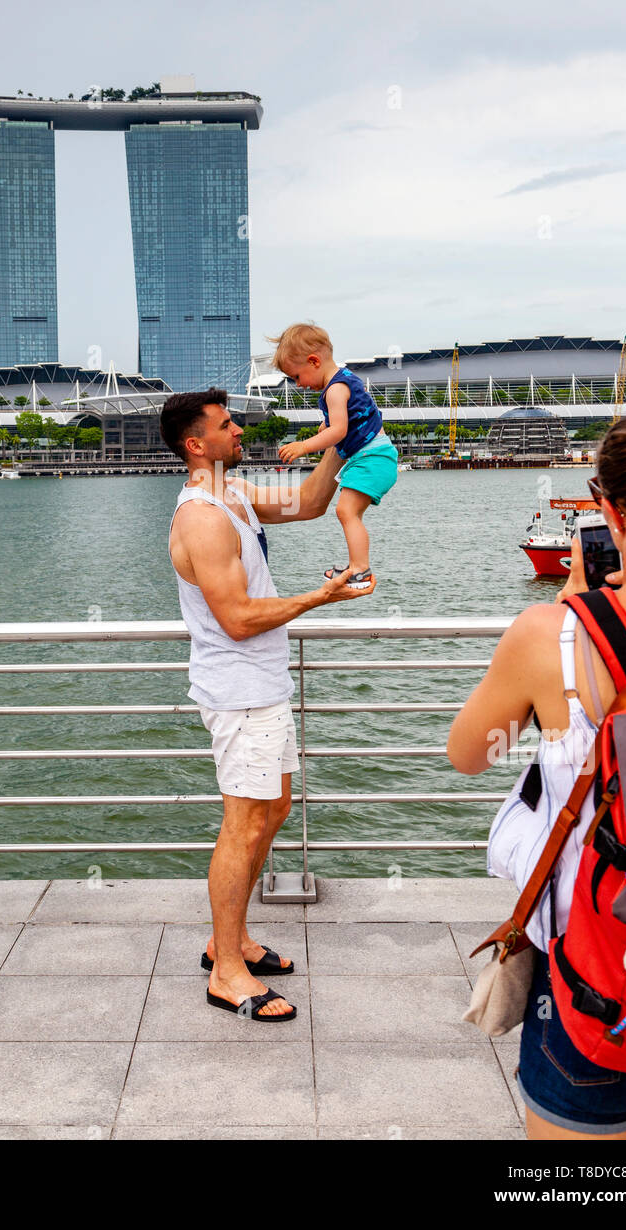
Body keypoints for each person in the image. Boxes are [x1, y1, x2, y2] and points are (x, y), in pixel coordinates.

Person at [447, 407, 626, 1140]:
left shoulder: (553, 634)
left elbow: (470, 753)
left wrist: (567, 618)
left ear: (608, 511)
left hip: (598, 954)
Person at [161, 389, 374, 1020]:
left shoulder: (236, 494)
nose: (238, 431)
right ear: (196, 445)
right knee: (244, 822)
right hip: (239, 690)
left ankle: (234, 941)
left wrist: (343, 438)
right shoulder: (202, 516)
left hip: (265, 685)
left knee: (272, 810)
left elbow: (309, 503)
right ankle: (226, 972)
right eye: (226, 426)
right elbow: (237, 619)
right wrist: (320, 597)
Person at [271, 323, 398, 589]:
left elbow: (340, 431)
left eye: (296, 376)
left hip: (372, 458)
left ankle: (360, 569)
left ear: (314, 361)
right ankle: (357, 566)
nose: (299, 385)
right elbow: (350, 419)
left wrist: (304, 446)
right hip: (374, 457)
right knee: (349, 512)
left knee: (346, 511)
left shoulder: (335, 389)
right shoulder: (345, 380)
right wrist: (326, 426)